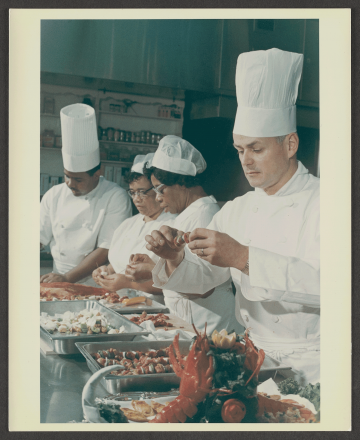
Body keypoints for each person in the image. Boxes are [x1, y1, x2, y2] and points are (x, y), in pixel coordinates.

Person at [136, 49, 320, 385]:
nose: (246, 161)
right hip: (252, 360)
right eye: (239, 150)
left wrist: (244, 258)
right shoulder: (238, 208)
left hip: (315, 365)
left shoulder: (328, 203)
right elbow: (205, 278)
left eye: (256, 148)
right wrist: (175, 258)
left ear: (290, 144)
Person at [127, 135, 243, 335]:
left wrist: (153, 269)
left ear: (181, 182)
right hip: (190, 321)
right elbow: (181, 263)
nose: (158, 198)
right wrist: (154, 262)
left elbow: (204, 284)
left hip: (209, 324)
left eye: (161, 189)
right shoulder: (185, 215)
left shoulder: (206, 215)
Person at [40, 103, 132, 286]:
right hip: (56, 278)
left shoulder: (115, 196)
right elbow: (37, 237)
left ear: (97, 174)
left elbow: (106, 248)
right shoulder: (54, 194)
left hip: (95, 282)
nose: (69, 184)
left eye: (78, 180)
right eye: (67, 176)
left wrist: (67, 278)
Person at [92, 153, 177, 304]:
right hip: (119, 303)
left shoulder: (173, 225)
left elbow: (177, 283)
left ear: (158, 188)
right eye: (132, 192)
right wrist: (105, 271)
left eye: (143, 192)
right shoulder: (127, 225)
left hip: (153, 308)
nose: (137, 198)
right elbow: (118, 263)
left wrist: (127, 283)